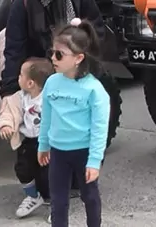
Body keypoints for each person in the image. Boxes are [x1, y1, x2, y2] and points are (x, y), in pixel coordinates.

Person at [0, 0, 104, 100]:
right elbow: (15, 48)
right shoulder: (23, 2)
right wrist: (10, 90)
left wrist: (82, 59)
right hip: (41, 71)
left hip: (77, 64)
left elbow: (97, 28)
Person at [39, 19, 110, 227]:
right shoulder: (52, 83)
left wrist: (94, 161)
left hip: (84, 152)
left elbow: (99, 128)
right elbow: (47, 118)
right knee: (58, 201)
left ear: (79, 58)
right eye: (51, 52)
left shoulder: (94, 90)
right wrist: (43, 145)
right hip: (58, 152)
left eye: (59, 54)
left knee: (89, 196)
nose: (53, 58)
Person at [0, 57, 54, 218]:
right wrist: (6, 125)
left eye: (21, 75)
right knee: (22, 169)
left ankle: (57, 205)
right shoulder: (20, 97)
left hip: (50, 142)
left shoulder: (50, 97)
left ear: (31, 83)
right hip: (29, 142)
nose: (18, 78)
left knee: (50, 175)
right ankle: (33, 196)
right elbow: (9, 112)